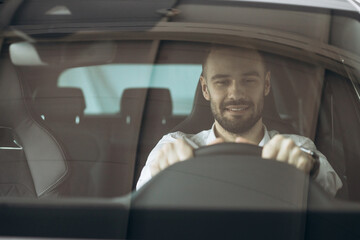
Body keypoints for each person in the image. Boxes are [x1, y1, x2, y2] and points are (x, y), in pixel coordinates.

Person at [136, 45, 343, 196]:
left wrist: (309, 167)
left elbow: (332, 188)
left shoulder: (295, 147)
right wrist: (163, 174)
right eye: (222, 82)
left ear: (266, 84)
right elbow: (141, 204)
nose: (235, 93)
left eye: (249, 81)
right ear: (205, 89)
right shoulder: (175, 146)